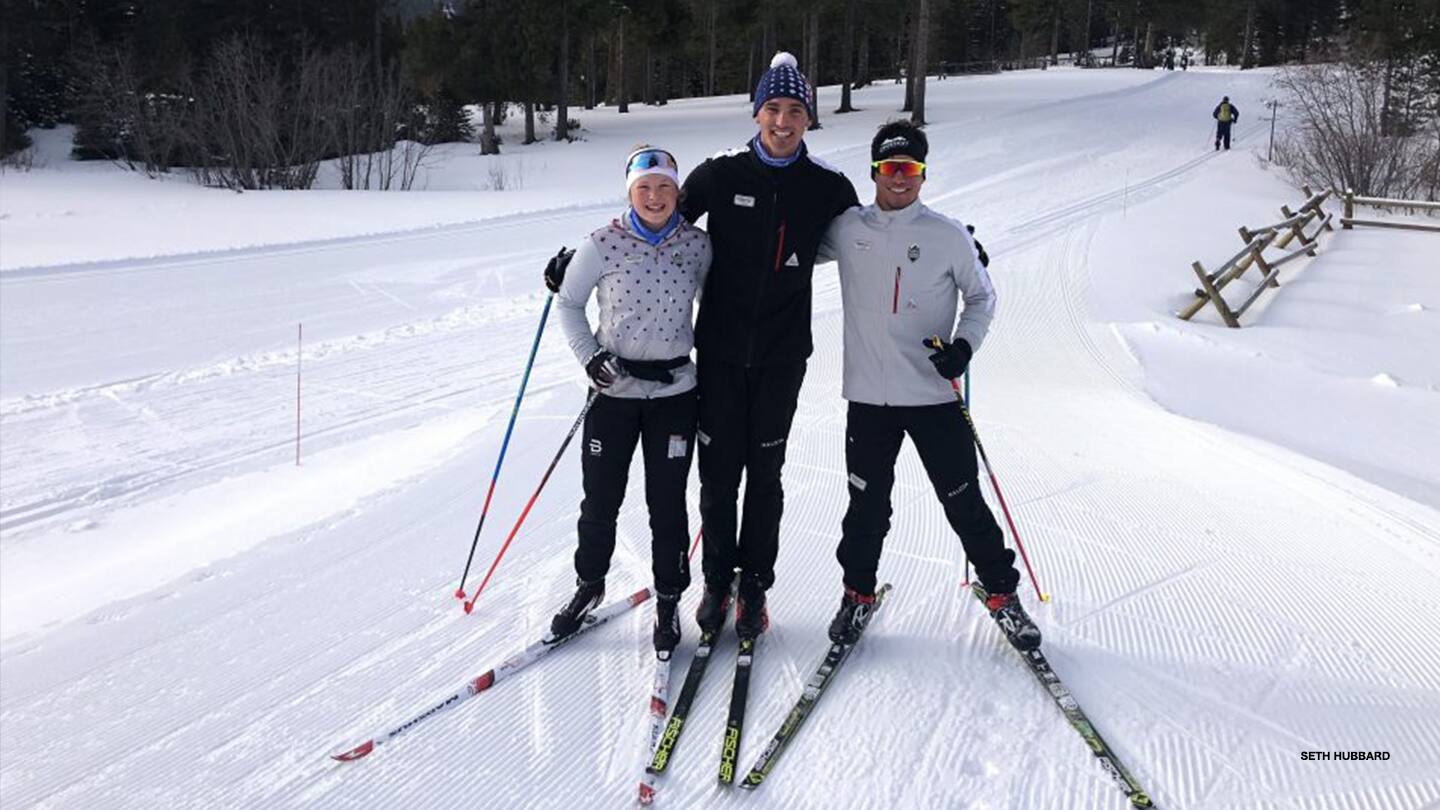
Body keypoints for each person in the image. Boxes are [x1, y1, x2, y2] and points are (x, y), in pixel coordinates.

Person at [818, 121, 1041, 651]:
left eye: (911, 170)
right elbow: (788, 247)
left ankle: (1002, 594)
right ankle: (857, 594)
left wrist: (963, 348)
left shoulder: (947, 234)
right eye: (892, 168)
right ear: (874, 171)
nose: (901, 179)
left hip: (933, 397)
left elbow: (982, 299)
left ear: (923, 174)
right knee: (867, 508)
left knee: (963, 499)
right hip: (869, 398)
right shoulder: (846, 230)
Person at [678, 52, 860, 640]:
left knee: (766, 473)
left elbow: (878, 238)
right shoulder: (721, 174)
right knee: (718, 474)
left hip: (783, 355)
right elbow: (656, 223)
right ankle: (715, 581)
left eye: (796, 111)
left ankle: (754, 584)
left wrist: (955, 247)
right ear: (757, 113)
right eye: (774, 109)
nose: (783, 122)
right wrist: (583, 259)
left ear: (810, 118)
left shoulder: (827, 185)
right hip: (722, 352)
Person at [545, 145, 712, 653]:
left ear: (677, 193)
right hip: (613, 394)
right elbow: (569, 304)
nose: (655, 197)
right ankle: (589, 585)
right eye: (645, 189)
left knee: (667, 505)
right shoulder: (601, 244)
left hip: (675, 393)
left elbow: (723, 303)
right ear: (630, 193)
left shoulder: (698, 246)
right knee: (600, 499)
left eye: (664, 188)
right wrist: (589, 357)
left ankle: (668, 597)